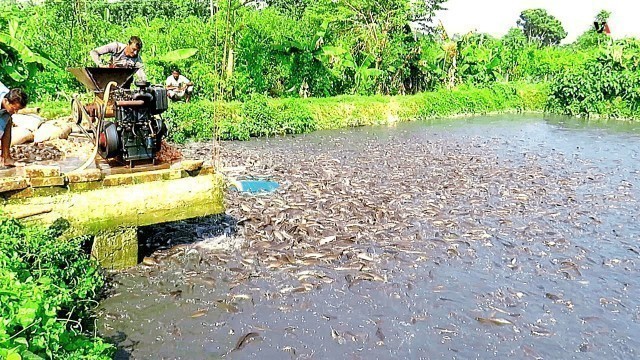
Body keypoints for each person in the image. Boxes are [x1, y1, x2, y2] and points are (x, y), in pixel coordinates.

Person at [0, 82, 28, 167]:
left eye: (18, 110)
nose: (15, 112)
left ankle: (6, 158)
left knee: (8, 120)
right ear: (6, 101)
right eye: (13, 109)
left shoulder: (10, 96)